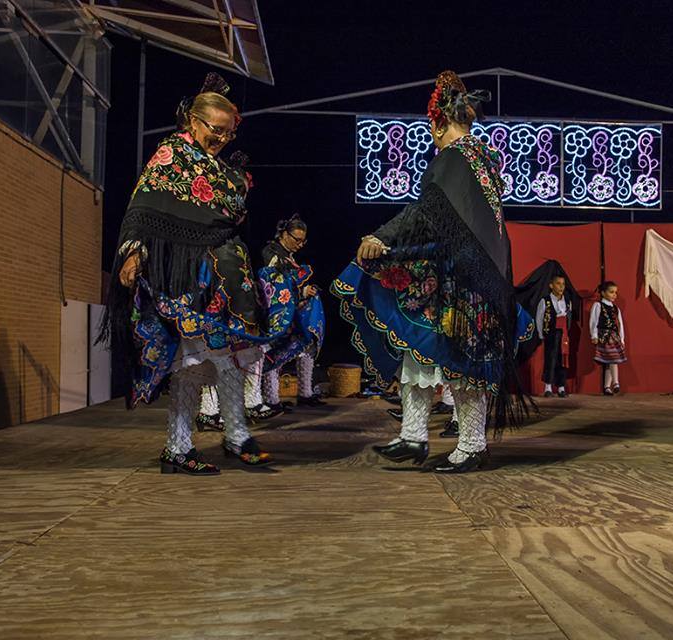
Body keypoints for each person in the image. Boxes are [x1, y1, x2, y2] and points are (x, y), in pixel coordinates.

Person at [332, 70, 533, 473]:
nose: (431, 136)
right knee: (419, 350)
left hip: (465, 280)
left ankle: (472, 446)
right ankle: (412, 436)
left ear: (440, 121)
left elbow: (426, 214)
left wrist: (382, 237)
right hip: (460, 273)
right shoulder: (482, 158)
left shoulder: (456, 158)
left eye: (431, 128)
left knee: (462, 363)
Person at [101, 73, 291, 474]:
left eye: (228, 133)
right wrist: (133, 253)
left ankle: (218, 438)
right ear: (192, 121)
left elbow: (229, 215)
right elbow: (143, 208)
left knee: (221, 360)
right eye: (215, 130)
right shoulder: (171, 156)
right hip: (184, 278)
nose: (221, 139)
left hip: (221, 282)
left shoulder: (217, 168)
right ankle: (198, 442)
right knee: (197, 362)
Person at [258, 214, 327, 408]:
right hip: (273, 313)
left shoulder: (286, 256)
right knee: (274, 350)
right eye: (297, 239)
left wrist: (304, 292)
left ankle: (304, 392)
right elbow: (273, 285)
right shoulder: (270, 253)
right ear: (283, 234)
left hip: (291, 309)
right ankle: (271, 399)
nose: (300, 244)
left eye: (303, 241)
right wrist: (301, 291)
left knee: (306, 343)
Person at [515, 260, 582, 398]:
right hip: (551, 333)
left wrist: (567, 330)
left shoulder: (567, 300)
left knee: (563, 359)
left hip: (563, 333)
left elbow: (568, 316)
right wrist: (541, 333)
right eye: (558, 284)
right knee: (550, 359)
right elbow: (539, 317)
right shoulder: (545, 301)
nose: (561, 287)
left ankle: (562, 387)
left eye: (563, 284)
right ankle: (548, 387)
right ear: (551, 285)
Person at [590, 280, 627, 395]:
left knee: (609, 361)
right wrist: (594, 335)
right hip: (604, 337)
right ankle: (616, 382)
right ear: (603, 293)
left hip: (614, 337)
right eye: (611, 292)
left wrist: (622, 339)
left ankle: (607, 387)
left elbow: (619, 324)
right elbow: (593, 321)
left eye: (615, 292)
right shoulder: (598, 305)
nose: (614, 295)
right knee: (612, 359)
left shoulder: (616, 308)